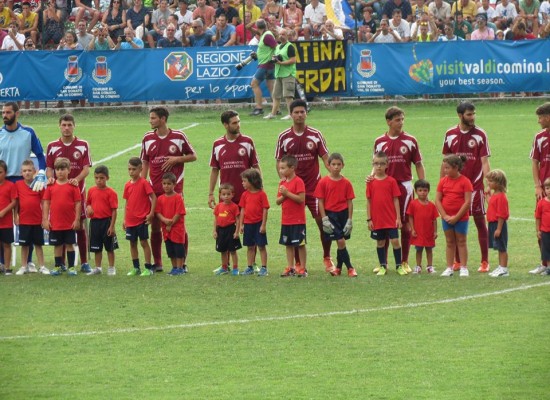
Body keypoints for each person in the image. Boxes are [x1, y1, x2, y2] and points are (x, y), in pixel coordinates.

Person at [275, 99, 332, 271]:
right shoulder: (284, 137)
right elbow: (279, 162)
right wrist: (284, 182)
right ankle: (298, 264)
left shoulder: (315, 135)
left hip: (315, 189)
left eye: (302, 112)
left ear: (306, 113)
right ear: (291, 114)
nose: (299, 115)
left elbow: (325, 158)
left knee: (323, 223)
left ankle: (327, 257)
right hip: (293, 192)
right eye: (296, 112)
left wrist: (333, 174)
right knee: (294, 226)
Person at [140, 106, 196, 272]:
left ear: (163, 119)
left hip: (175, 189)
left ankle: (182, 263)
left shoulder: (178, 137)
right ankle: (158, 263)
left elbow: (193, 155)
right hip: (154, 189)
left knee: (178, 226)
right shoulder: (148, 138)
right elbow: (145, 162)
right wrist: (142, 183)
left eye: (153, 118)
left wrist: (177, 159)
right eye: (150, 118)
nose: (150, 121)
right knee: (156, 226)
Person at [370, 107, 424, 274]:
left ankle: (404, 261)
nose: (401, 123)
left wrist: (421, 183)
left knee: (405, 224)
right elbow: (376, 164)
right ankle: (383, 263)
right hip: (383, 187)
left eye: (402, 119)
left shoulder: (410, 140)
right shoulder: (379, 141)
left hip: (404, 187)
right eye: (397, 120)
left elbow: (418, 164)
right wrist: (371, 176)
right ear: (388, 122)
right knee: (384, 224)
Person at [441, 102, 491, 273]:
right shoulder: (450, 134)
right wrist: (442, 183)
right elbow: (445, 161)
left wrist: (488, 183)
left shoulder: (480, 134)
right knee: (454, 222)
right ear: (460, 115)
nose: (472, 117)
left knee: (479, 220)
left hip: (475, 186)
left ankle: (485, 261)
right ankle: (457, 261)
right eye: (469, 114)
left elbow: (484, 161)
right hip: (453, 188)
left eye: (474, 114)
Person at [45, 114, 92, 273]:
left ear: (74, 126)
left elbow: (86, 169)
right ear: (59, 126)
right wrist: (51, 179)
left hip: (78, 192)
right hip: (59, 193)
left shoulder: (83, 144)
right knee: (60, 227)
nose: (66, 128)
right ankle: (62, 264)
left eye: (69, 125)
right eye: (64, 125)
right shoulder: (52, 146)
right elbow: (49, 168)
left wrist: (76, 180)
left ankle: (84, 262)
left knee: (79, 227)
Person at [314, 153, 356, 277]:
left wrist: (349, 219)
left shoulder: (346, 183)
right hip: (331, 215)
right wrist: (324, 218)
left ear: (343, 165)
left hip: (343, 214)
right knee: (341, 241)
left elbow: (350, 202)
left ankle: (338, 268)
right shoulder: (323, 182)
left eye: (338, 164)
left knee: (340, 243)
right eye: (333, 164)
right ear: (328, 165)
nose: (336, 167)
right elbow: (320, 201)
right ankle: (350, 268)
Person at [209, 110, 261, 209]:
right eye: (234, 123)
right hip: (226, 195)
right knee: (225, 223)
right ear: (225, 125)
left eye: (238, 121)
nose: (238, 125)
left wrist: (260, 187)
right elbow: (215, 170)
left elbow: (255, 166)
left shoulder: (247, 142)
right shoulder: (217, 144)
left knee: (247, 223)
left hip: (246, 193)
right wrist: (210, 193)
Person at [42, 157, 81, 276]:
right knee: (57, 245)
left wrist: (77, 219)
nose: (60, 172)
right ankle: (58, 266)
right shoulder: (51, 186)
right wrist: (45, 219)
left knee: (70, 244)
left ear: (69, 170)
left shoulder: (73, 186)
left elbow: (78, 203)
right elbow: (46, 203)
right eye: (57, 169)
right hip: (55, 223)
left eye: (63, 169)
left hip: (69, 223)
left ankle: (71, 267)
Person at [367, 151, 403, 276]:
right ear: (373, 165)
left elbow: (396, 200)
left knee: (395, 241)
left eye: (382, 164)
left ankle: (399, 266)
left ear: (387, 165)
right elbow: (369, 201)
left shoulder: (391, 181)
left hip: (391, 218)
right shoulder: (370, 182)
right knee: (380, 242)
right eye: (376, 164)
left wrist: (398, 217)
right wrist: (369, 219)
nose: (379, 166)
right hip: (377, 219)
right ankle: (383, 266)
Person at [436, 155, 473, 277]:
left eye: (447, 168)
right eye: (444, 168)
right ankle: (449, 267)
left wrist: (456, 217)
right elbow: (437, 200)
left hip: (461, 218)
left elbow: (467, 202)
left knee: (461, 241)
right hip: (446, 218)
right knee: (449, 241)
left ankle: (463, 267)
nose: (444, 171)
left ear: (456, 167)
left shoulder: (465, 182)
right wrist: (444, 215)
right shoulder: (442, 181)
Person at [14, 160, 48, 275]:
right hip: (24, 220)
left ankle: (42, 266)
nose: (27, 173)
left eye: (29, 170)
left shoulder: (39, 184)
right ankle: (23, 266)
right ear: (21, 173)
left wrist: (44, 218)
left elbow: (44, 202)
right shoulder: (18, 185)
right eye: (24, 171)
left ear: (34, 171)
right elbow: (16, 202)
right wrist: (16, 216)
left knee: (38, 244)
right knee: (24, 245)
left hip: (37, 220)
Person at [124, 157, 156, 277]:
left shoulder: (144, 183)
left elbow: (153, 198)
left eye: (134, 169)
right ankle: (136, 267)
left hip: (141, 219)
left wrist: (151, 213)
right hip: (130, 220)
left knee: (143, 242)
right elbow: (127, 202)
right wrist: (124, 219)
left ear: (140, 169)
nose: (131, 172)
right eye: (129, 169)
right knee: (132, 243)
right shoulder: (127, 185)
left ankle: (148, 267)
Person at [85, 165, 119, 276]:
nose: (98, 180)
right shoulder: (91, 190)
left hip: (107, 222)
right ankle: (98, 267)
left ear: (107, 178)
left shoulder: (111, 193)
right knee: (96, 247)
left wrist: (112, 226)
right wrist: (88, 207)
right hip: (94, 223)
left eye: (101, 178)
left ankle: (111, 267)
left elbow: (114, 210)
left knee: (109, 247)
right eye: (96, 178)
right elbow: (88, 203)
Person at [277, 155, 307, 278]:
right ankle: (290, 267)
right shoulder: (282, 183)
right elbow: (278, 201)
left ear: (292, 168)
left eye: (283, 168)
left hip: (298, 220)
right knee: (288, 244)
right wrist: (284, 195)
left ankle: (303, 268)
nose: (281, 171)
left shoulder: (298, 181)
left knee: (300, 244)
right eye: (280, 168)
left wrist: (287, 193)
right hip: (286, 220)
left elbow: (301, 199)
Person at [529, 102, 550, 274]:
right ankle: (544, 263)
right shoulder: (539, 137)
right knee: (542, 227)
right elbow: (535, 162)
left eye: (541, 117)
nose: (539, 121)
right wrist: (537, 185)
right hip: (544, 190)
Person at [238, 168, 269, 276]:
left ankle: (264, 268)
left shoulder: (262, 194)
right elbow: (242, 210)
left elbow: (265, 209)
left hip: (258, 224)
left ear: (252, 181)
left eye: (244, 181)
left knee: (261, 246)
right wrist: (241, 224)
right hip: (248, 224)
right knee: (249, 246)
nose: (242, 183)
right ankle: (249, 266)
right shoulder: (244, 195)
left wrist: (263, 225)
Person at [155, 172, 187, 276]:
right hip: (166, 229)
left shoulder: (178, 197)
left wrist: (170, 223)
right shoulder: (160, 198)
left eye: (169, 184)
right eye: (164, 183)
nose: (166, 186)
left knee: (179, 249)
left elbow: (179, 213)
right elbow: (158, 212)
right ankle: (174, 267)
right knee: (170, 249)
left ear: (174, 184)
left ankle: (180, 267)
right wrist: (164, 220)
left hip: (177, 229)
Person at [406, 179, 438, 274]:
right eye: (420, 190)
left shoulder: (432, 205)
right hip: (418, 232)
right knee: (418, 249)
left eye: (425, 190)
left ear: (428, 191)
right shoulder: (413, 204)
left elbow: (434, 219)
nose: (423, 193)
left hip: (429, 232)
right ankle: (418, 266)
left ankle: (430, 266)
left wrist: (435, 231)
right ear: (416, 191)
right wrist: (412, 229)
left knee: (429, 249)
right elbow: (410, 217)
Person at [264, 28, 296, 120]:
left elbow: (293, 60)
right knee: (275, 95)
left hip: (288, 73)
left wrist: (281, 63)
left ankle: (291, 114)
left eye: (283, 34)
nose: (281, 36)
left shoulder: (290, 46)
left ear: (287, 36)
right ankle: (273, 113)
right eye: (280, 34)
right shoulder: (278, 47)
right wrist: (274, 59)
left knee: (288, 95)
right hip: (279, 73)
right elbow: (278, 58)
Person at [212, 183, 242, 275]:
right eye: (224, 194)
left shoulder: (234, 207)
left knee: (233, 250)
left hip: (230, 230)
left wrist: (237, 232)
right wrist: (214, 230)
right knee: (223, 250)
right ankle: (224, 267)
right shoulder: (218, 206)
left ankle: (235, 268)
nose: (226, 196)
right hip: (221, 231)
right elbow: (216, 219)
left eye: (228, 194)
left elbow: (237, 220)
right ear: (220, 195)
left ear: (232, 194)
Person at [249, 18, 276, 116]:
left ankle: (259, 107)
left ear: (257, 26)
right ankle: (275, 108)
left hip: (265, 64)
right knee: (271, 87)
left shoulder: (267, 35)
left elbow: (275, 47)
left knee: (254, 84)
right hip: (268, 64)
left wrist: (271, 58)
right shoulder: (265, 34)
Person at [485, 169, 510, 277]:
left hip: (498, 224)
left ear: (498, 183)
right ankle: (500, 267)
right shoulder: (495, 194)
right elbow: (491, 203)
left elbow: (501, 214)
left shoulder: (501, 197)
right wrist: (487, 194)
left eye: (490, 181)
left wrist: (499, 228)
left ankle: (504, 269)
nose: (488, 183)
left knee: (502, 247)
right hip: (492, 224)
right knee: (499, 247)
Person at [0, 160, 16, 276]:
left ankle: (7, 267)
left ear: (5, 173)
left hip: (6, 222)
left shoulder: (10, 185)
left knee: (6, 244)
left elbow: (14, 202)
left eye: (0, 172)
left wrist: (4, 211)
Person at [536, 178, 550, 276]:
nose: (549, 190)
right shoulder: (541, 203)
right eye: (547, 188)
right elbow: (538, 218)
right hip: (545, 231)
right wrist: (538, 230)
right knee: (546, 249)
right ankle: (549, 267)